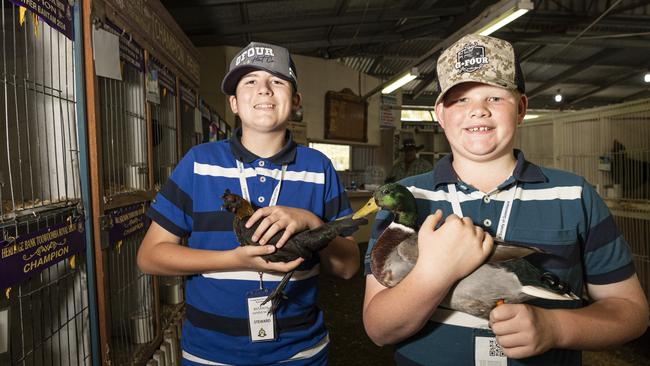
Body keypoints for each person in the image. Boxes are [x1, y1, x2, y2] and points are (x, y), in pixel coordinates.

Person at [362, 34, 648, 365]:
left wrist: (555, 327)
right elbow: (379, 330)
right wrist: (435, 272)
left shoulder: (574, 195)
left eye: (495, 97)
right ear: (439, 114)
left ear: (522, 107)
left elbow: (631, 313)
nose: (479, 111)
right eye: (461, 100)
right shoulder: (407, 198)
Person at [137, 41, 360, 366]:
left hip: (300, 354)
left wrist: (312, 221)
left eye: (277, 81)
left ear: (295, 101)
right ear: (234, 103)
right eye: (250, 82)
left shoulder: (319, 168)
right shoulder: (198, 163)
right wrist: (235, 260)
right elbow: (150, 257)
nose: (264, 90)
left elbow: (348, 267)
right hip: (211, 355)